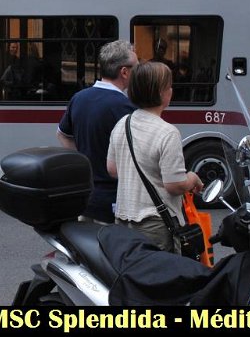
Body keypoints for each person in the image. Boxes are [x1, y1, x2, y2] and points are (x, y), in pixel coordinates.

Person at [106, 61, 203, 253]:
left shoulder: (123, 123)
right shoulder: (167, 132)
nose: (171, 90)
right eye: (169, 86)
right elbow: (174, 185)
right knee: (158, 278)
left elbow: (113, 169)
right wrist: (192, 178)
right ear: (161, 93)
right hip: (155, 225)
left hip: (124, 219)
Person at [56, 40, 138, 224]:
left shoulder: (79, 98)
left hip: (86, 196)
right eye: (136, 67)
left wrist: (84, 161)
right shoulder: (125, 107)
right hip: (114, 199)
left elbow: (62, 134)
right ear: (124, 72)